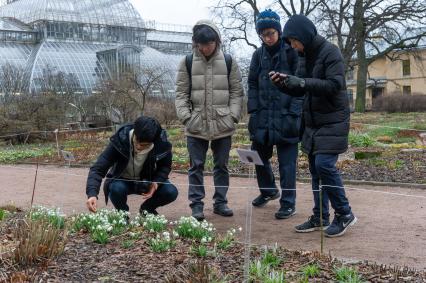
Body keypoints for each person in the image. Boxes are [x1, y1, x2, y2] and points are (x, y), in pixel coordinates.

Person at [270, 14, 357, 237]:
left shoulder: (331, 52)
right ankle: (320, 216)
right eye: (289, 42)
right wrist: (284, 83)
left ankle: (345, 214)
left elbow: (335, 84)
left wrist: (302, 82)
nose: (292, 46)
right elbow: (301, 87)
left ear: (304, 36)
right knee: (315, 170)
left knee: (325, 165)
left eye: (293, 41)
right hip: (312, 122)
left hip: (333, 119)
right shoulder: (304, 56)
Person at [175, 19, 244, 221]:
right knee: (196, 166)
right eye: (201, 44)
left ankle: (220, 202)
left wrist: (232, 116)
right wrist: (186, 118)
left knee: (221, 165)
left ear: (217, 41)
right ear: (195, 43)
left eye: (209, 44)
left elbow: (237, 92)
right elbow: (180, 94)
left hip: (223, 124)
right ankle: (197, 205)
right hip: (195, 124)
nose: (205, 48)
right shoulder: (187, 62)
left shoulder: (229, 61)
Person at [247, 9, 303, 219]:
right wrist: (253, 110)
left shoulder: (292, 52)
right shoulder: (257, 55)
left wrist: (294, 111)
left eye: (271, 33)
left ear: (278, 31)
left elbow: (301, 84)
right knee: (258, 157)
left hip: (287, 116)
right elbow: (252, 83)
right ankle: (268, 190)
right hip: (262, 116)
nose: (267, 37)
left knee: (287, 164)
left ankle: (288, 203)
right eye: (263, 34)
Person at [86, 116, 178, 215]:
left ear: (154, 141)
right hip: (123, 181)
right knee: (116, 188)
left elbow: (165, 167)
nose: (138, 146)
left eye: (144, 145)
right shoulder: (121, 139)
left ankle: (147, 209)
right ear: (134, 131)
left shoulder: (162, 144)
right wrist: (92, 194)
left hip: (146, 181)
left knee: (170, 191)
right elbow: (98, 168)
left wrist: (156, 183)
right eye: (137, 141)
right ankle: (123, 214)